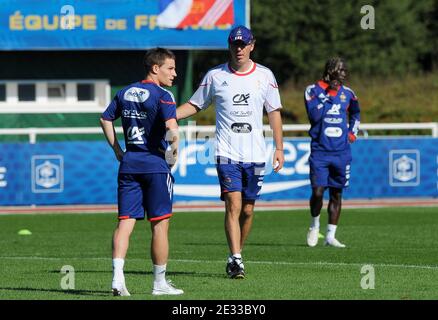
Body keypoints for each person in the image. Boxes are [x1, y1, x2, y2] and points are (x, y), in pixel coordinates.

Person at [177, 25, 284, 279]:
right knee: (233, 205)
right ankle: (236, 258)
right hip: (226, 153)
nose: (239, 49)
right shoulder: (215, 76)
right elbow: (195, 104)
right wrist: (167, 115)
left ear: (252, 45)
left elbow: (274, 113)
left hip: (256, 154)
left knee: (247, 210)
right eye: (234, 44)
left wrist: (279, 148)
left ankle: (236, 254)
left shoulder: (265, 76)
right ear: (229, 46)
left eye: (243, 44)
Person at [100, 48, 183, 296]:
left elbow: (105, 118)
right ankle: (159, 284)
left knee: (125, 222)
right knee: (160, 224)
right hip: (155, 165)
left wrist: (117, 150)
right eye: (170, 68)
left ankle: (117, 278)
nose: (175, 74)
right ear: (155, 68)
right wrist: (173, 155)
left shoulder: (124, 92)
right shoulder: (163, 95)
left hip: (130, 164)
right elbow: (173, 130)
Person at [304, 57, 361, 248]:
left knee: (337, 194)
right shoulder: (313, 90)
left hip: (341, 152)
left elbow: (356, 112)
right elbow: (314, 116)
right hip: (320, 151)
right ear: (331, 70)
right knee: (318, 191)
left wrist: (352, 132)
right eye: (341, 70)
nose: (345, 73)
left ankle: (330, 236)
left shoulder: (349, 93)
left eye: (346, 70)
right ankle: (314, 225)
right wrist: (329, 94)